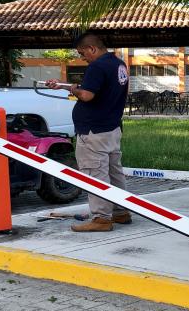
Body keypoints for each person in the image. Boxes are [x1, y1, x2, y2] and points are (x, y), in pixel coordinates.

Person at [47, 32, 131, 232]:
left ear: (92, 49)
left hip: (93, 131)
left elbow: (86, 94)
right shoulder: (118, 64)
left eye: (82, 53)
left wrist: (75, 89)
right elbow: (101, 91)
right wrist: (65, 86)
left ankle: (101, 218)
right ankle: (121, 211)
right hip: (111, 127)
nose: (82, 58)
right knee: (114, 172)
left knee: (95, 174)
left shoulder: (97, 66)